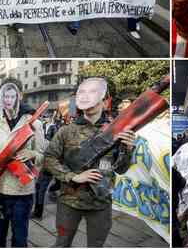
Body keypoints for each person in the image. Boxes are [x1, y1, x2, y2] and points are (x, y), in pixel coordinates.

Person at [44, 77, 135, 247]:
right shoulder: (66, 131)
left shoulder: (116, 131)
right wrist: (73, 176)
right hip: (69, 202)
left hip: (101, 204)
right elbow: (49, 159)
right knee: (62, 244)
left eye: (93, 92)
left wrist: (128, 149)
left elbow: (121, 169)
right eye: (83, 92)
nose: (87, 97)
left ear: (104, 99)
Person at [0, 79, 42, 247]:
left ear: (19, 96)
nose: (8, 100)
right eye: (4, 95)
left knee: (20, 241)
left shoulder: (34, 123)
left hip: (23, 193)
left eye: (12, 95)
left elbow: (44, 155)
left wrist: (32, 153)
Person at [32, 116, 60, 219]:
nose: (45, 119)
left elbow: (50, 146)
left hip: (49, 163)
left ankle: (38, 213)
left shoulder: (53, 129)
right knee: (39, 187)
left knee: (40, 188)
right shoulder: (43, 127)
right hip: (47, 162)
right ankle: (37, 212)